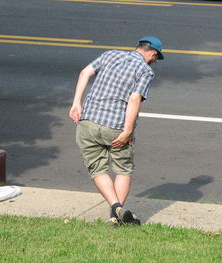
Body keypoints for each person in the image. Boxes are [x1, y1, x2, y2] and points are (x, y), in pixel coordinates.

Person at [69, 37, 164, 226]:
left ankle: (115, 207)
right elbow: (135, 99)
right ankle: (115, 216)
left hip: (87, 122)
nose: (154, 62)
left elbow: (85, 72)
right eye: (156, 58)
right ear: (153, 54)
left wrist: (76, 103)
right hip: (116, 126)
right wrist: (127, 131)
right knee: (123, 170)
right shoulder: (145, 70)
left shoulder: (110, 54)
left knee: (97, 169)